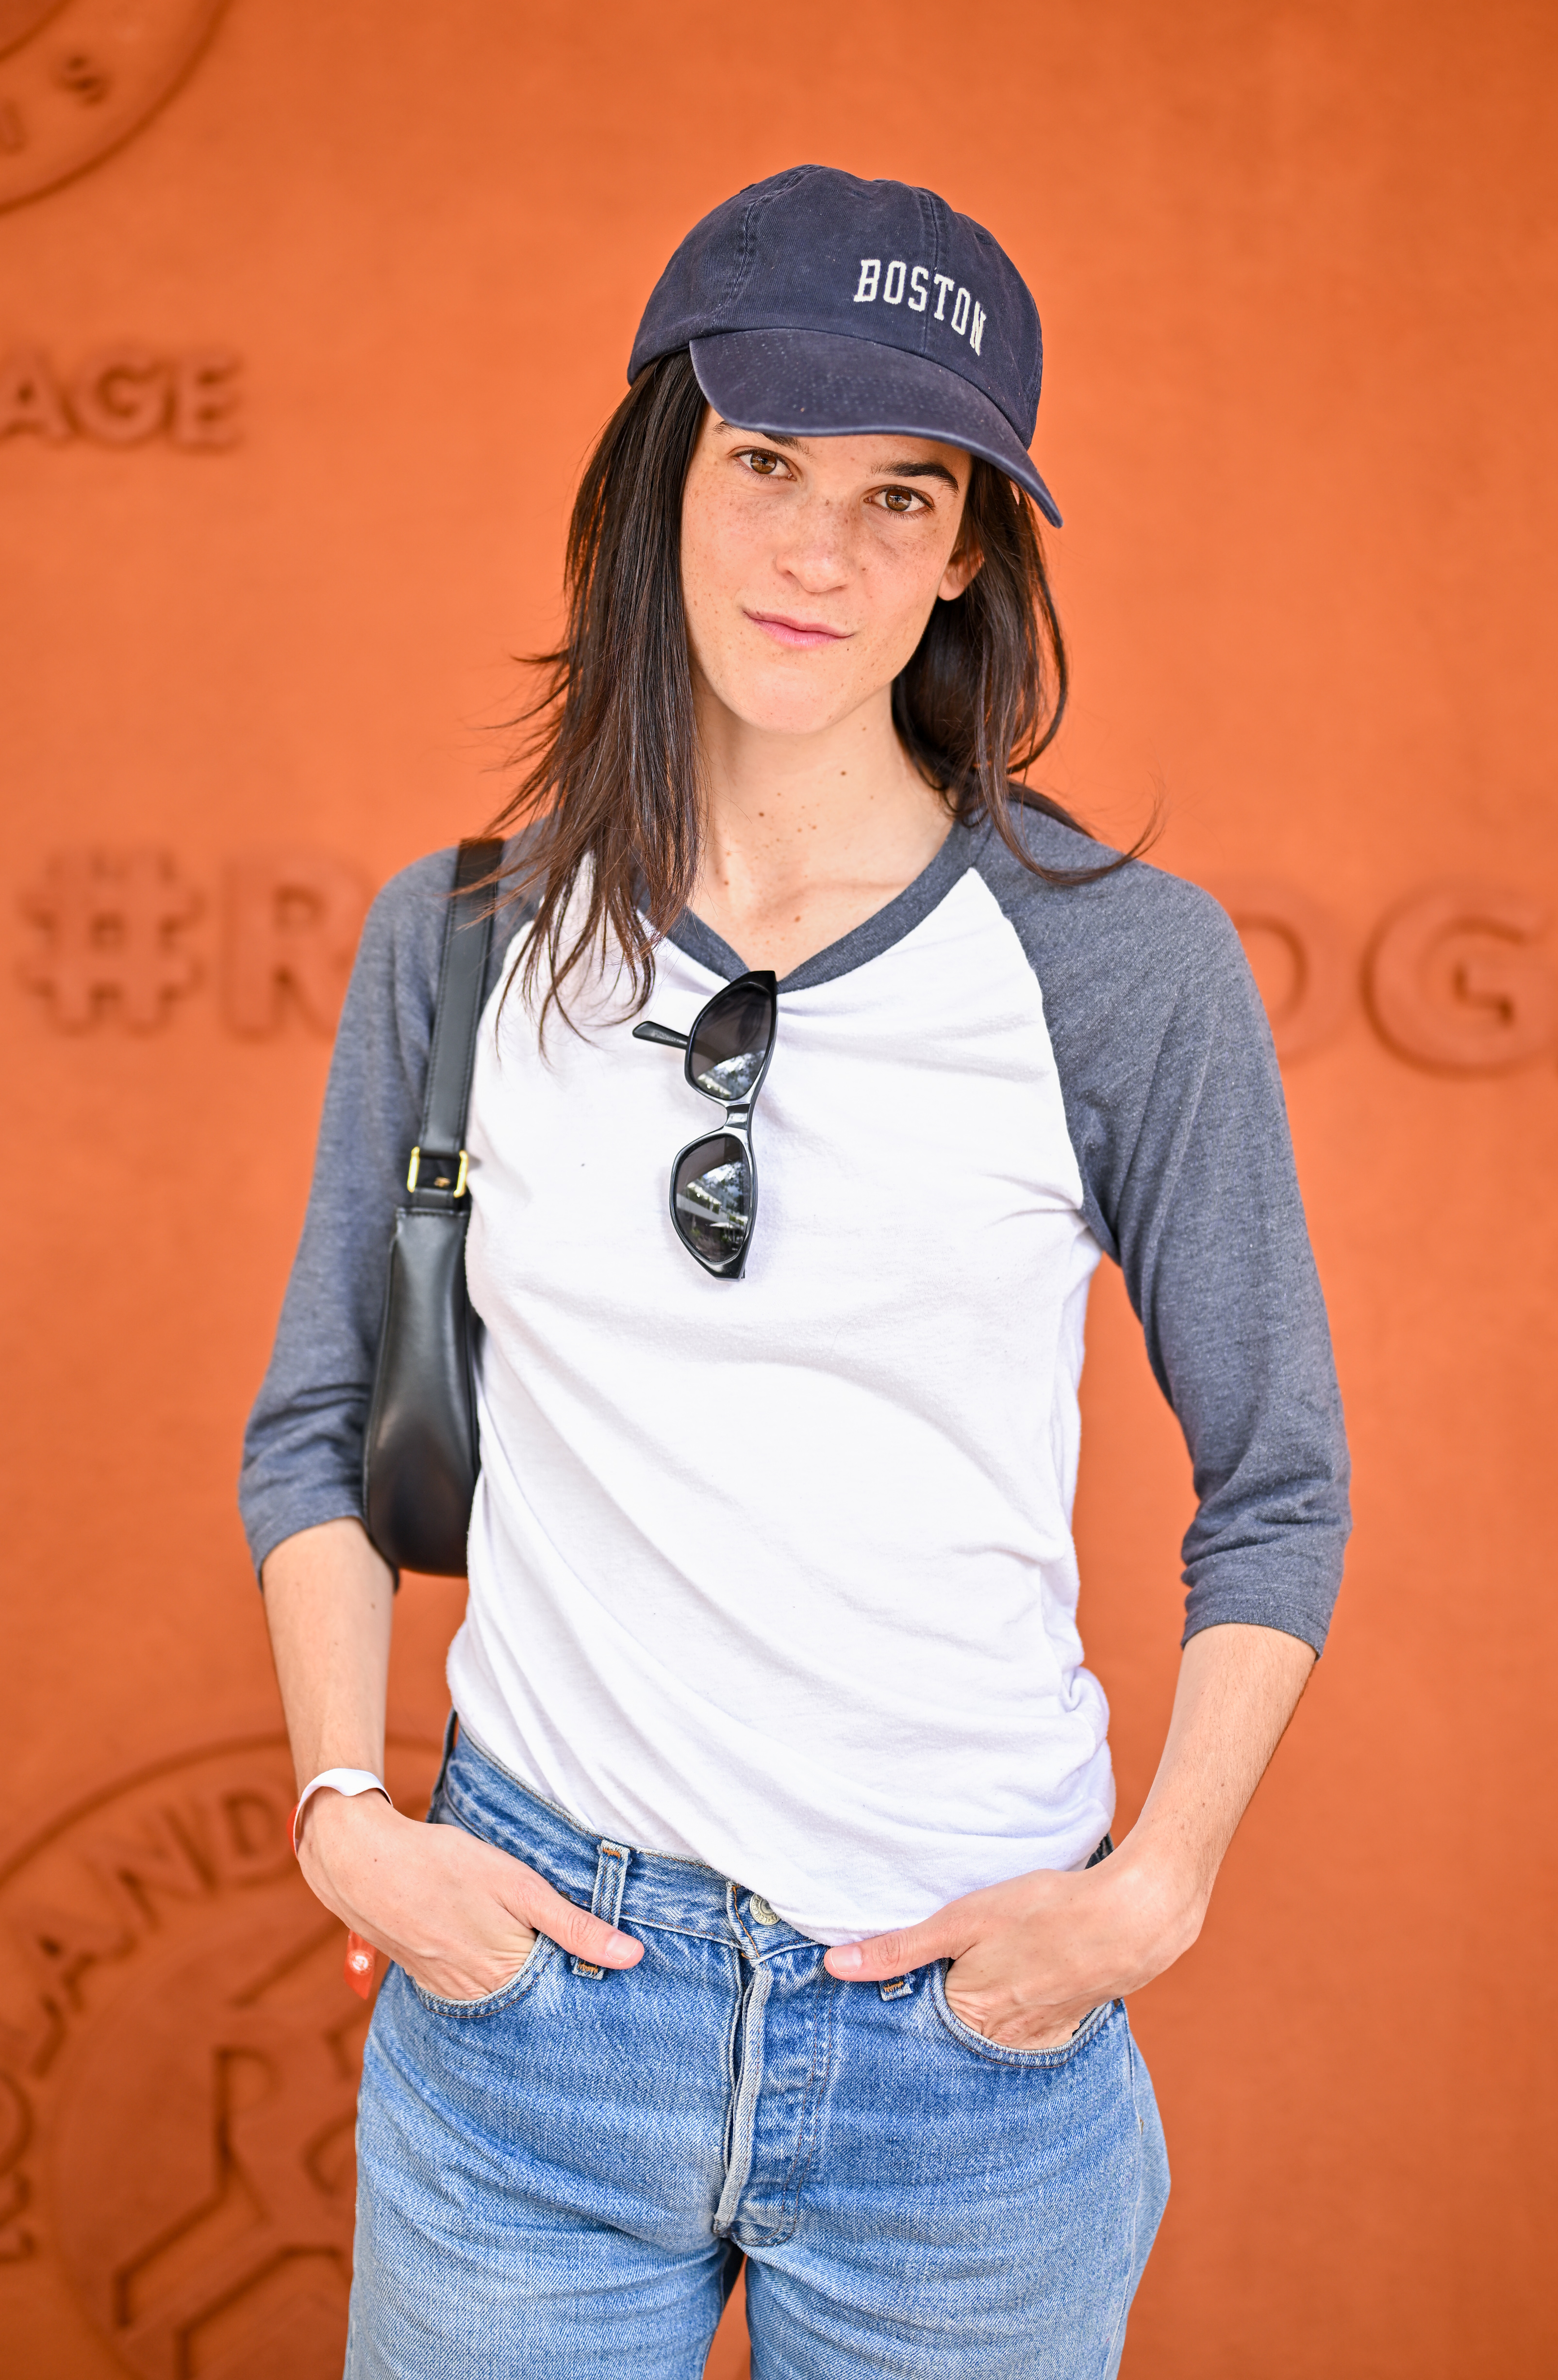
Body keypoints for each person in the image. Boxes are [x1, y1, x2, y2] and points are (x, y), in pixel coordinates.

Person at [241, 164, 1350, 2380]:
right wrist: (348, 1820)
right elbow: (313, 1435)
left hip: (962, 2059)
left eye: (898, 494)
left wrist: (1149, 1894)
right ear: (662, 472)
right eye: (762, 465)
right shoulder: (460, 942)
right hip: (537, 2022)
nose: (815, 555)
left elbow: (1278, 1488)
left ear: (963, 554)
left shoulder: (1119, 972)